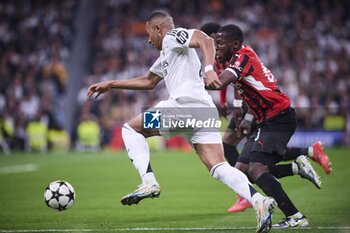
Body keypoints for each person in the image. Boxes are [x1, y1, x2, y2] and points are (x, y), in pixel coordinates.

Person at [87, 11, 276, 233]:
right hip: (204, 111)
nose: (148, 40)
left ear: (158, 28)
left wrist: (208, 70)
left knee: (131, 129)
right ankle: (259, 201)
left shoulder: (172, 36)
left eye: (149, 33)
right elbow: (148, 81)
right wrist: (111, 83)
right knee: (218, 167)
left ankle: (148, 182)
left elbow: (204, 39)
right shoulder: (167, 54)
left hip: (183, 107)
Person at [200, 22, 330, 213]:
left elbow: (221, 83)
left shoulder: (242, 57)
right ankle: (298, 166)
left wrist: (248, 117)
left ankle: (294, 214)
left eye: (217, 43)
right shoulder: (235, 58)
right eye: (212, 44)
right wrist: (239, 109)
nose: (214, 47)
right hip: (265, 118)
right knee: (244, 170)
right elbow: (241, 87)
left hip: (276, 116)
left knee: (255, 167)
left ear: (233, 44)